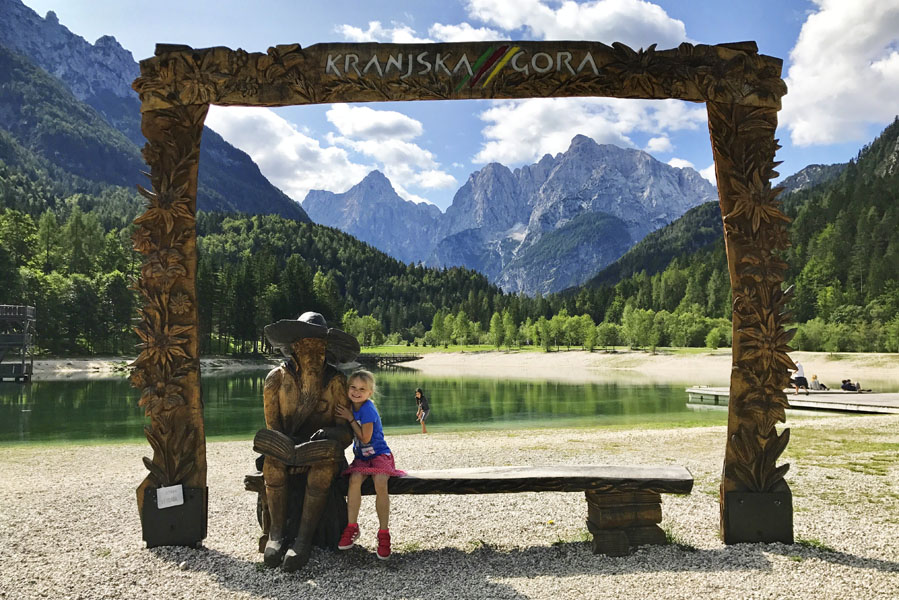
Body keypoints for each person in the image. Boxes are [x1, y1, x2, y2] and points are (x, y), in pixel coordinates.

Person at [259, 311, 361, 571]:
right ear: (295, 350)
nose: (316, 357)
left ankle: (303, 541)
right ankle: (276, 535)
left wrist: (329, 436)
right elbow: (273, 430)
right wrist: (288, 451)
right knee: (272, 463)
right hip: (286, 452)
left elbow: (346, 433)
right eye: (309, 350)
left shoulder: (336, 382)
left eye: (321, 351)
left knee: (323, 468)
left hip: (323, 454)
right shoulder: (276, 380)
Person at [336, 370, 406, 560]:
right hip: (362, 457)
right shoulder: (350, 405)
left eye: (362, 389)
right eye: (353, 387)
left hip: (379, 455)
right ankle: (352, 526)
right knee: (355, 479)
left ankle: (384, 533)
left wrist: (350, 418)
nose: (356, 392)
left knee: (381, 481)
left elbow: (365, 437)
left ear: (370, 393)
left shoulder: (366, 409)